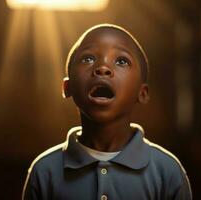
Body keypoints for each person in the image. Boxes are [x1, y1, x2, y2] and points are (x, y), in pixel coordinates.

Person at [22, 24, 192, 200]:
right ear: (68, 87)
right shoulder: (44, 171)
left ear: (142, 93)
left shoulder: (167, 172)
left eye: (121, 61)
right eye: (88, 59)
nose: (103, 68)